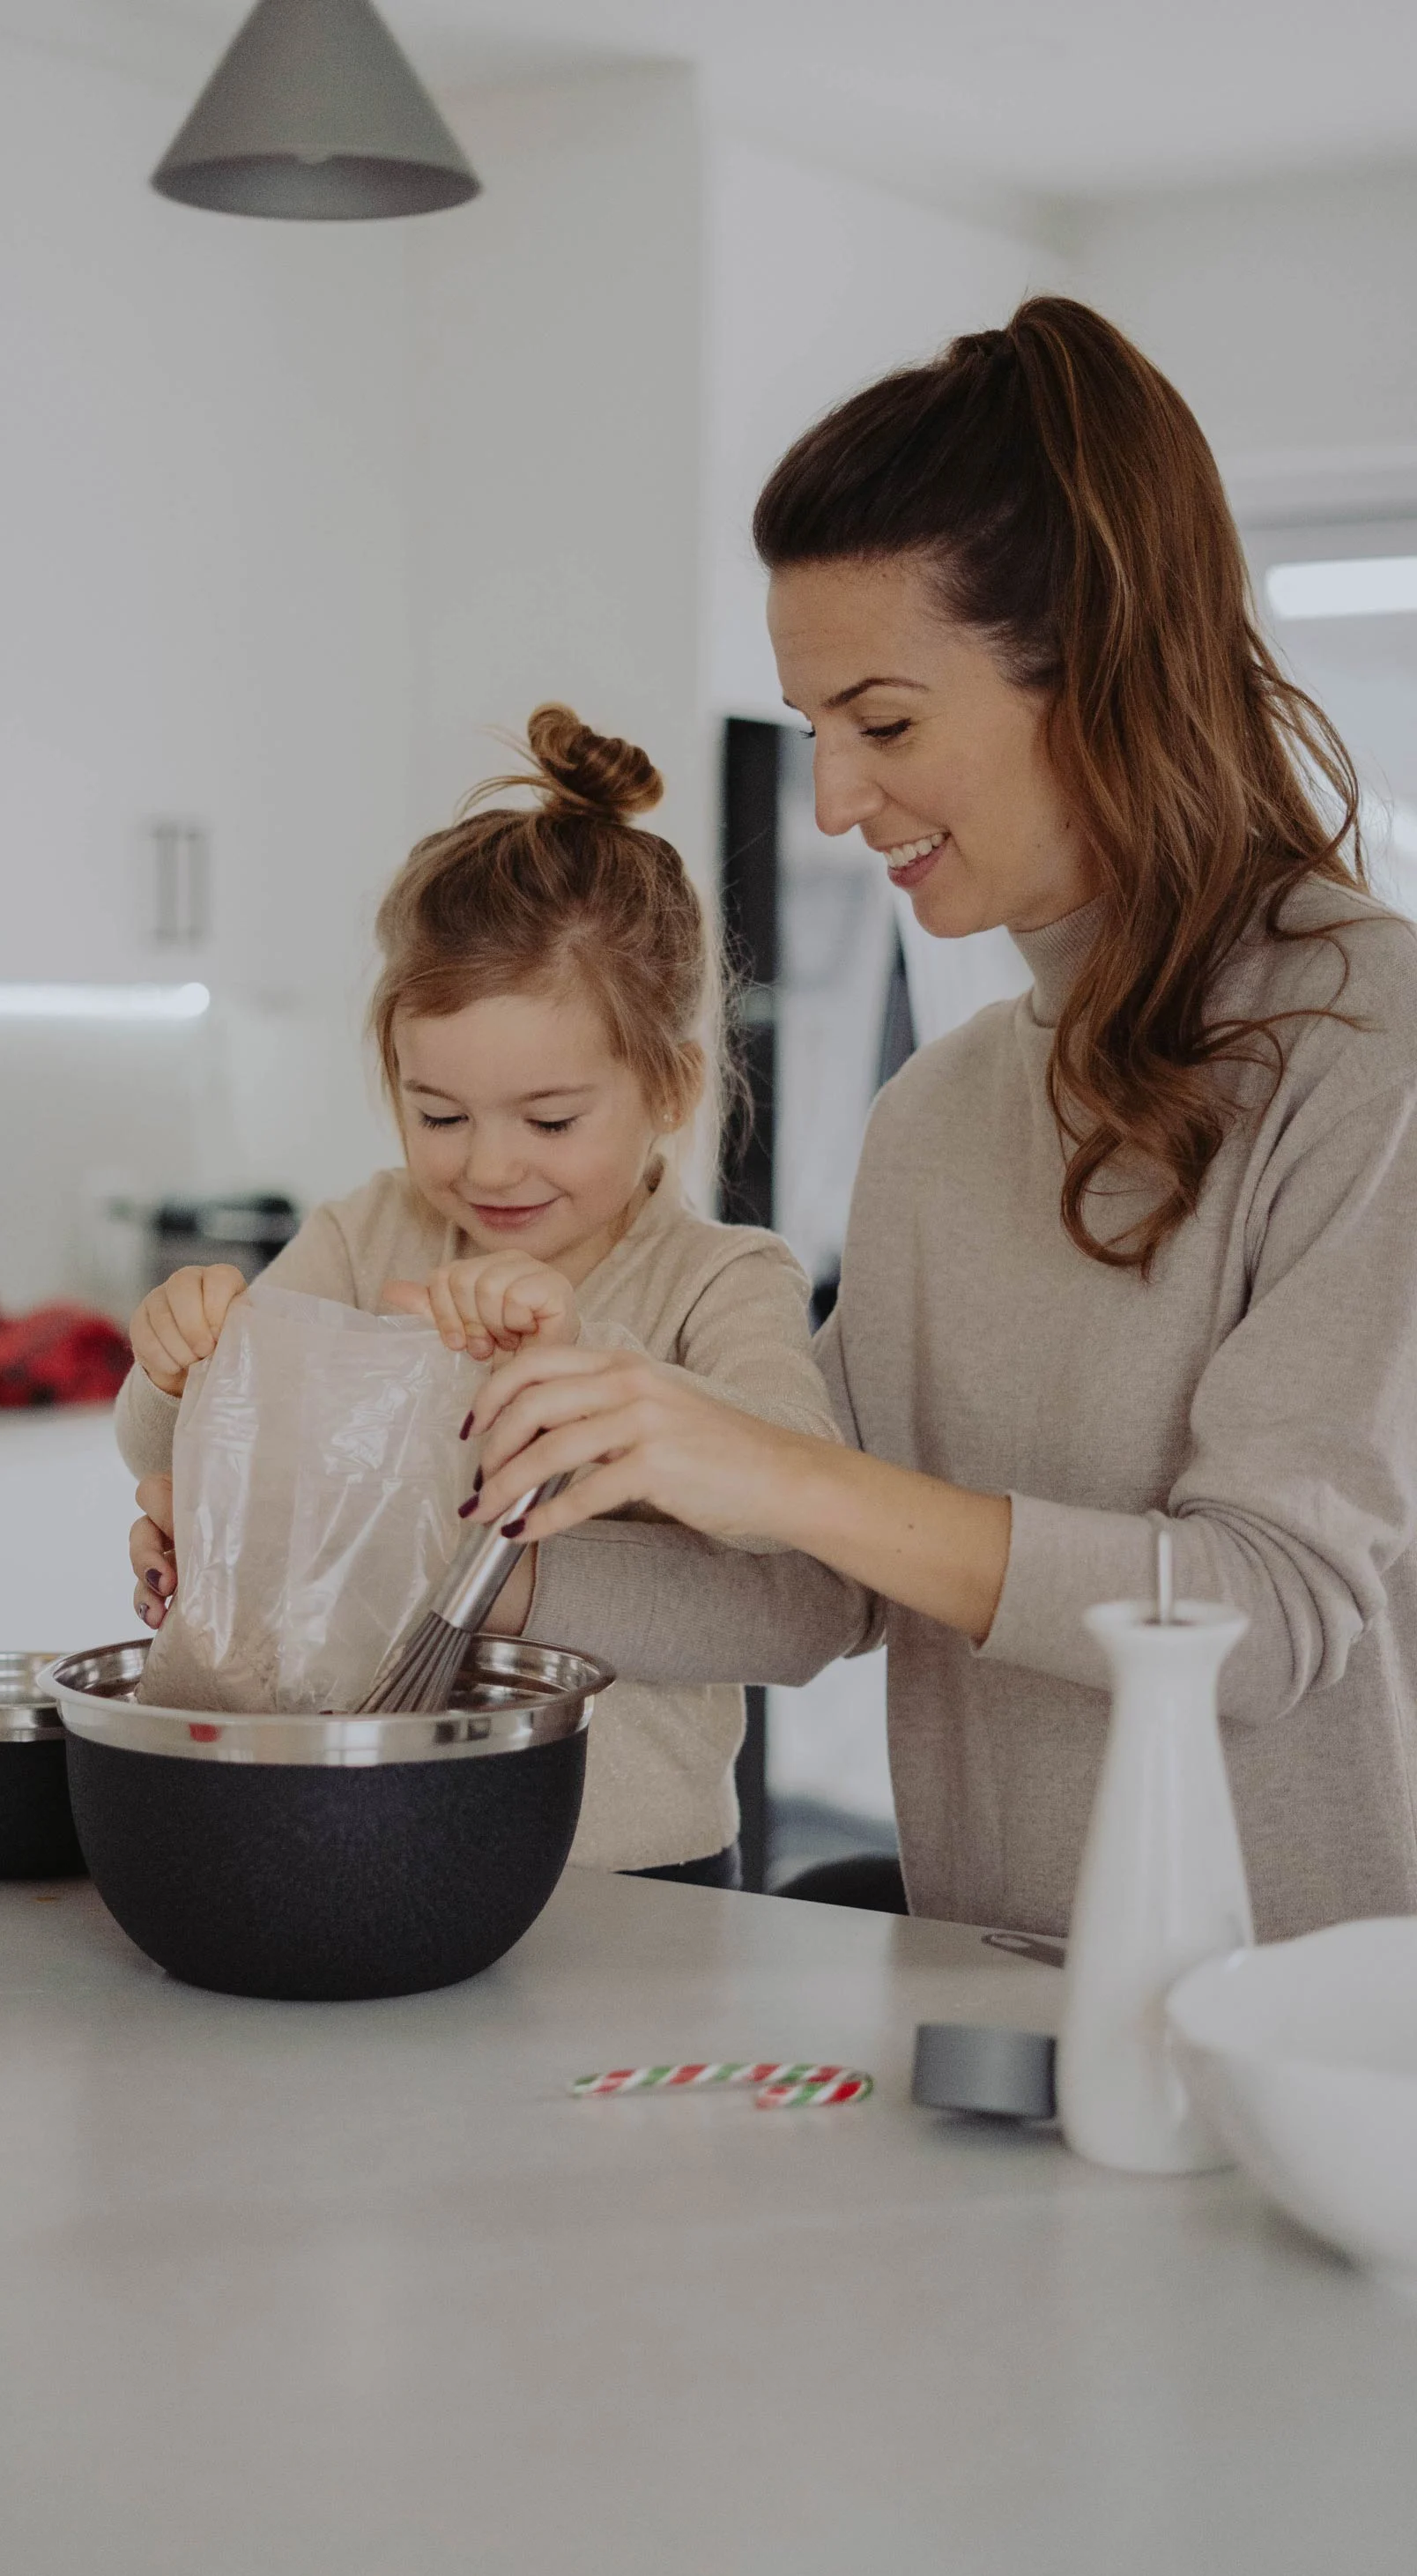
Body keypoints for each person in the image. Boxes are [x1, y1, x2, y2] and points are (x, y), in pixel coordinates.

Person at [461, 297, 1417, 1946]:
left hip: (1311, 2068)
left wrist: (767, 1461)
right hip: (998, 2029)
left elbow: (1267, 1617)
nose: (834, 800)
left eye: (884, 724)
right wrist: (419, 1551)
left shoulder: (1367, 1049)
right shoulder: (942, 1112)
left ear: (1101, 668)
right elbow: (813, 1585)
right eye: (819, 729)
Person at [116, 705, 836, 1886]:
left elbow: (791, 1524)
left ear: (671, 1088)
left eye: (550, 1121)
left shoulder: (722, 1281)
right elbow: (161, 1449)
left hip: (635, 1886)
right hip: (364, 1838)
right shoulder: (370, 1231)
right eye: (438, 1115)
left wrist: (581, 1360)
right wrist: (180, 1359)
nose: (487, 1168)